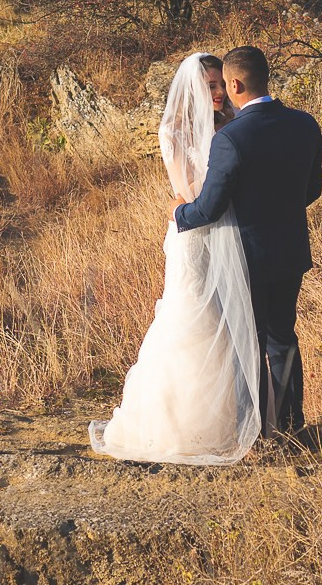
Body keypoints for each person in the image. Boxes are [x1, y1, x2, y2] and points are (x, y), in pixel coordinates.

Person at [89, 54, 263, 464]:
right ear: (192, 89)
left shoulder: (230, 124)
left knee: (226, 322)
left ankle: (223, 422)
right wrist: (226, 180)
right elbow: (191, 191)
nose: (219, 93)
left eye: (221, 84)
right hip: (193, 234)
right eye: (210, 86)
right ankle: (179, 426)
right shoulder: (173, 131)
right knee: (192, 316)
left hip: (227, 235)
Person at [171, 45, 322, 437]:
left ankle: (252, 433)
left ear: (235, 84)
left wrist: (179, 214)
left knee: (246, 345)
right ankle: (290, 428)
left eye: (224, 84)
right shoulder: (305, 124)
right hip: (290, 251)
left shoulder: (231, 138)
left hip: (244, 258)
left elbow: (209, 207)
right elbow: (311, 191)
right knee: (282, 339)